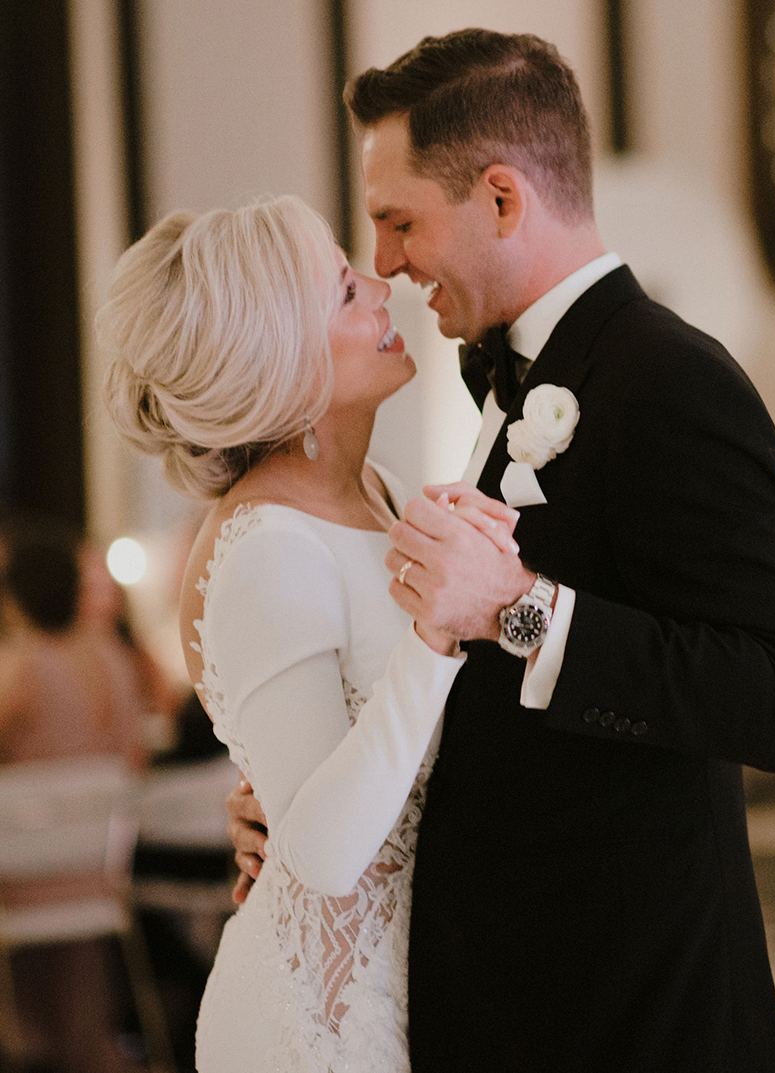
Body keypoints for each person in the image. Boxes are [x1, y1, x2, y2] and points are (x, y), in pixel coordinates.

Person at [229, 28, 775, 1072]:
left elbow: (773, 697)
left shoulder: (673, 381)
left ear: (501, 198)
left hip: (636, 1011)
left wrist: (520, 604)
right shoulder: (502, 375)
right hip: (518, 996)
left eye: (398, 220)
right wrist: (308, 788)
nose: (386, 263)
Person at [96, 194, 517, 1072]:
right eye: (341, 293)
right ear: (281, 363)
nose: (380, 284)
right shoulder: (266, 550)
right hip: (317, 1026)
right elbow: (323, 851)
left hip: (424, 989)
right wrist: (435, 638)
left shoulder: (385, 494)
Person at [0, 522, 149, 1073]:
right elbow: (137, 757)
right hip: (99, 872)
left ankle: (29, 1043)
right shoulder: (113, 657)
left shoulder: (21, 667)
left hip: (24, 876)